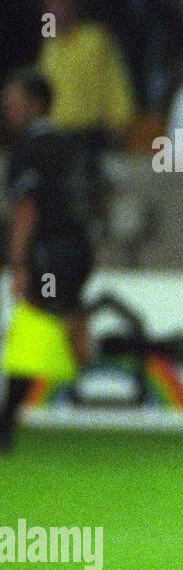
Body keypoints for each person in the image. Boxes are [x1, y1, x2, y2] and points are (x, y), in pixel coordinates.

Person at [1, 68, 100, 452]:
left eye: (13, 102)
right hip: (79, 248)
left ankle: (5, 423)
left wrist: (19, 262)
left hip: (47, 252)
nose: (7, 109)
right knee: (68, 324)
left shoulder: (26, 149)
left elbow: (27, 208)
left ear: (35, 104)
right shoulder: (72, 145)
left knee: (30, 332)